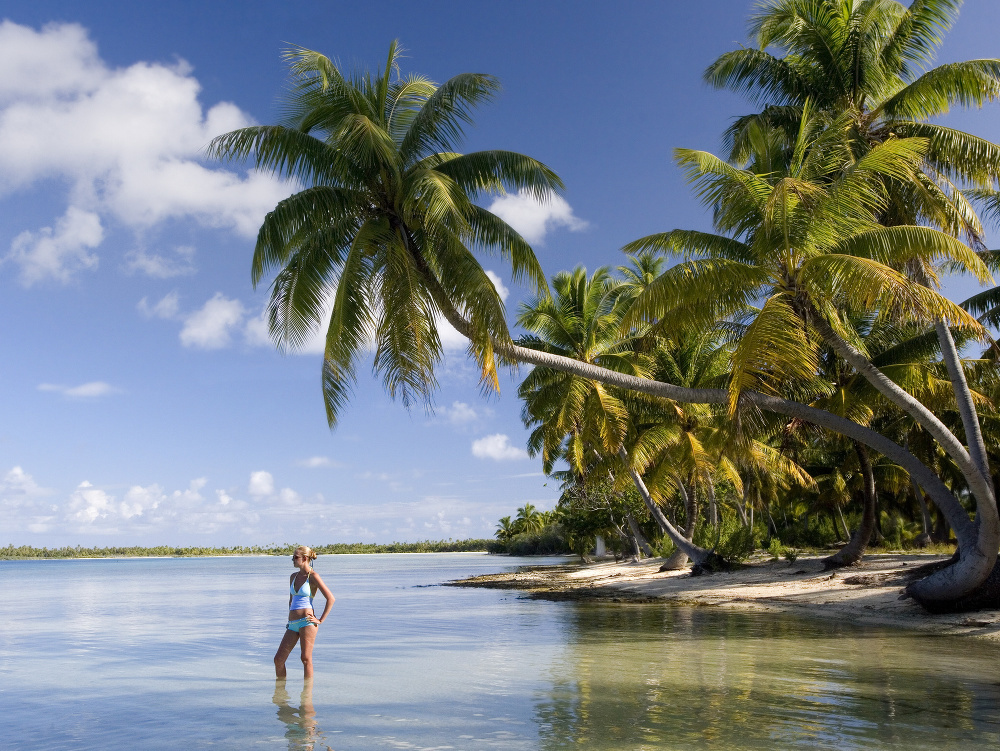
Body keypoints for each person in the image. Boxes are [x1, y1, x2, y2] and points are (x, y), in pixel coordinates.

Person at [274, 545, 334, 679]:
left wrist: (320, 620)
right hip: (292, 623)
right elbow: (291, 601)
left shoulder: (313, 576)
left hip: (307, 622)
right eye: (292, 557)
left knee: (306, 659)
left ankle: (307, 697)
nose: (293, 560)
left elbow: (331, 598)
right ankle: (280, 695)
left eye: (295, 557)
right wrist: (290, 619)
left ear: (305, 558)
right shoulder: (293, 577)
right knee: (278, 660)